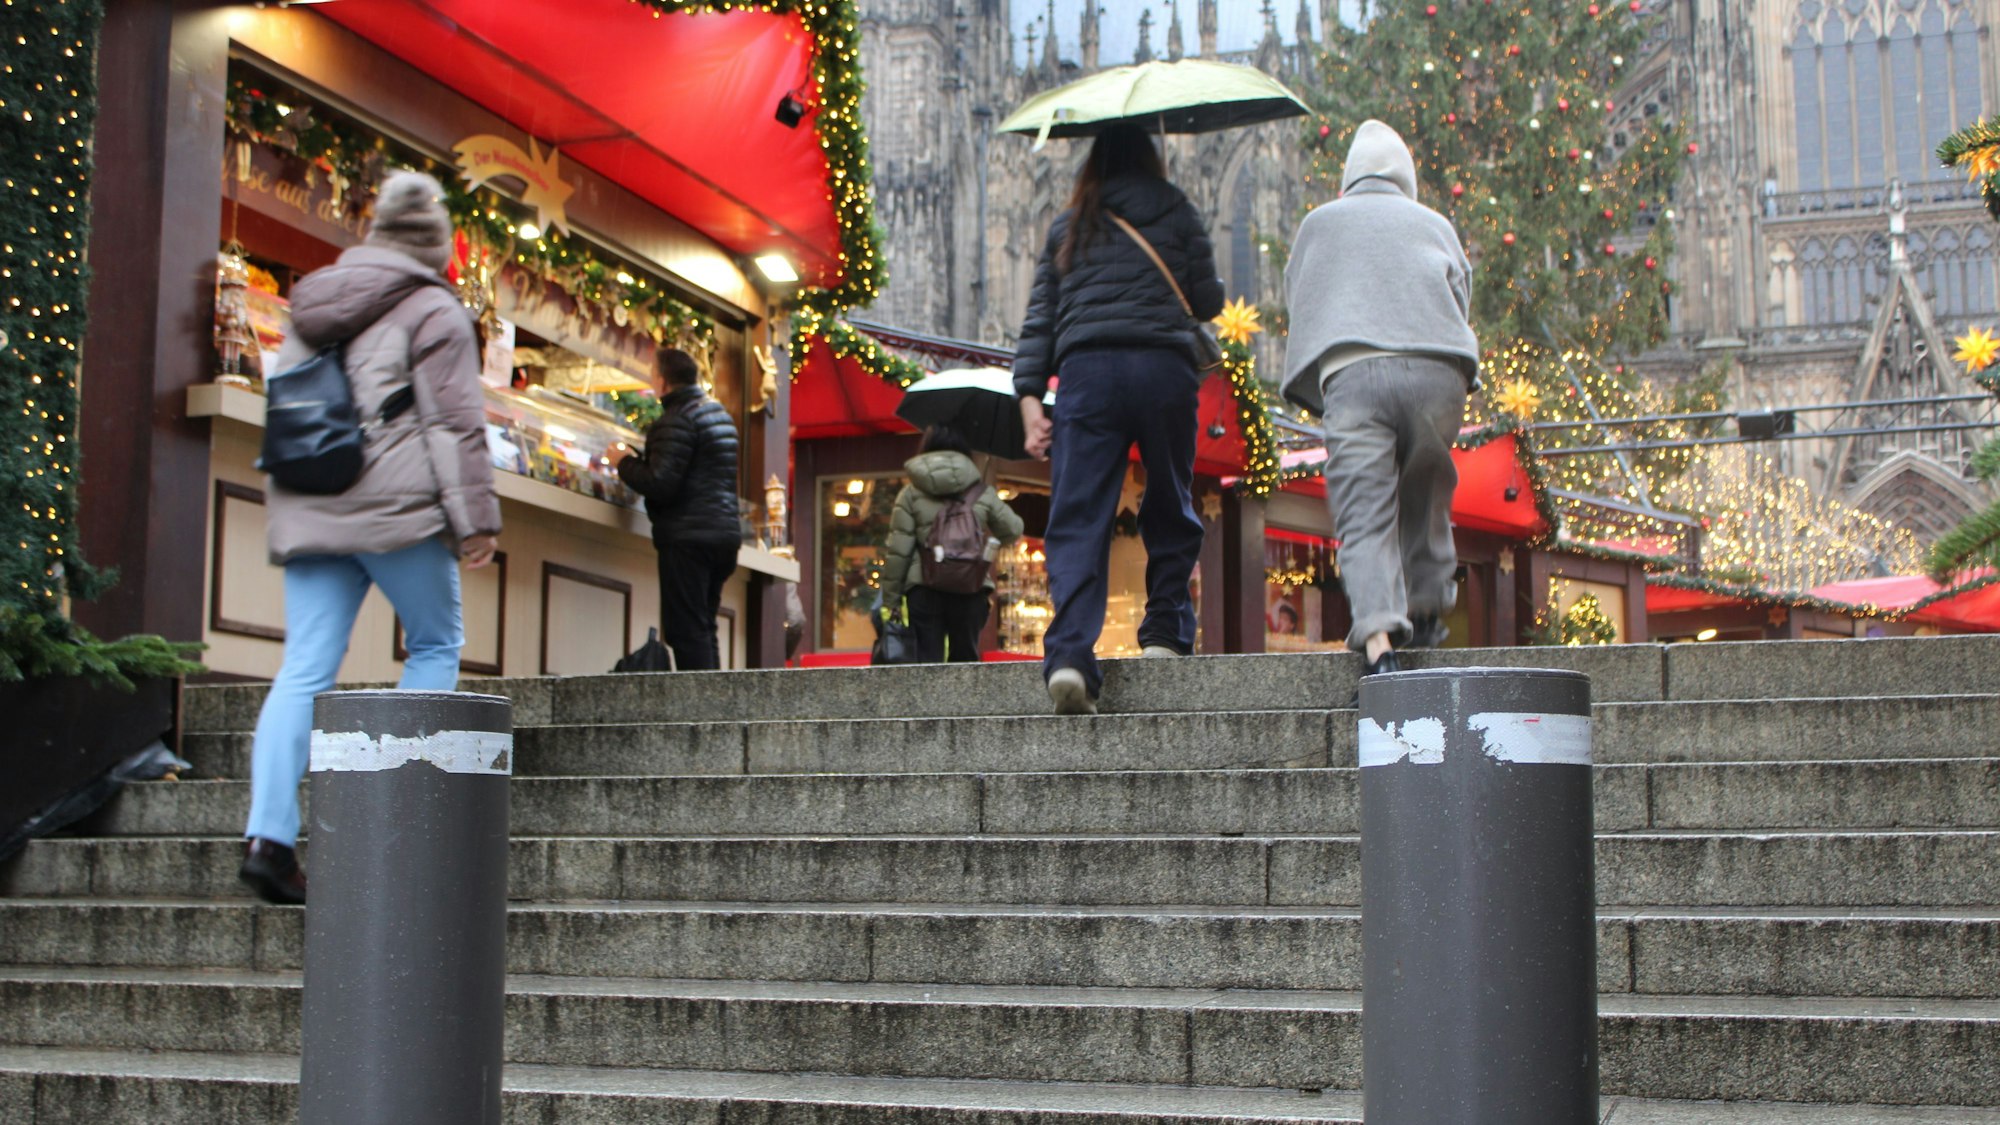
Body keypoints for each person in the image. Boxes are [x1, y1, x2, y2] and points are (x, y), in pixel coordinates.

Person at [239, 171, 502, 905]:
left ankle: (267, 838)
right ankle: (396, 827)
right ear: (437, 245)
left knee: (303, 669)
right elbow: (454, 424)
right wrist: (476, 521)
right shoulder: (433, 308)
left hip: (312, 501)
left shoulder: (315, 296)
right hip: (396, 510)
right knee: (434, 645)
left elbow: (285, 401)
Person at [1013, 123, 1224, 715]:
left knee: (1079, 516)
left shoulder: (1070, 223)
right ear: (1150, 156)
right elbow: (1207, 301)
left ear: (1094, 164)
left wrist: (1031, 399)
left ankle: (1072, 658)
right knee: (1170, 501)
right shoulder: (1176, 208)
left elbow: (1038, 324)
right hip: (1163, 368)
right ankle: (1163, 633)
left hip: (1087, 375)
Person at [1280, 120, 1480, 683]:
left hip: (1355, 372)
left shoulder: (1321, 224)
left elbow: (1301, 294)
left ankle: (1379, 640)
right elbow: (1459, 293)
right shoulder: (1435, 224)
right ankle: (1428, 599)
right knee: (1427, 489)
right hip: (1438, 371)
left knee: (1365, 513)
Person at [616, 347, 741, 671]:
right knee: (703, 626)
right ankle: (710, 705)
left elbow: (660, 482)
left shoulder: (677, 419)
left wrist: (623, 462)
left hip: (689, 536)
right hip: (723, 533)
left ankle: (699, 710)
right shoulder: (718, 415)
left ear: (662, 380)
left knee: (686, 630)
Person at [879, 425, 1025, 662]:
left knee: (927, 662)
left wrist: (891, 600)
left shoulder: (910, 493)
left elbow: (899, 550)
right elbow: (1013, 529)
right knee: (965, 660)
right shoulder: (980, 491)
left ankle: (930, 700)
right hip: (970, 586)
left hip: (924, 588)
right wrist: (984, 540)